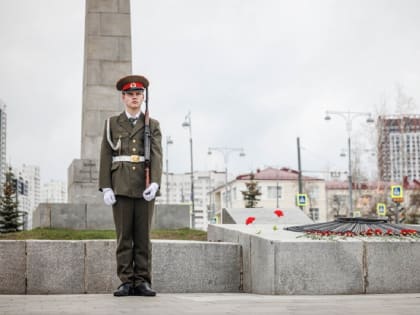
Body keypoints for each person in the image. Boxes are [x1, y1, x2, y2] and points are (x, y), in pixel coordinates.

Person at [99, 74, 162, 297]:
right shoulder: (112, 124)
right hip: (121, 185)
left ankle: (142, 280)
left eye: (138, 94)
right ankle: (126, 281)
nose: (135, 98)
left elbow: (156, 155)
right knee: (124, 237)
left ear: (143, 97)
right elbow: (106, 155)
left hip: (144, 188)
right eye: (130, 94)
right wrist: (106, 186)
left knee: (143, 237)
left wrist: (155, 183)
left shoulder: (152, 124)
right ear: (123, 98)